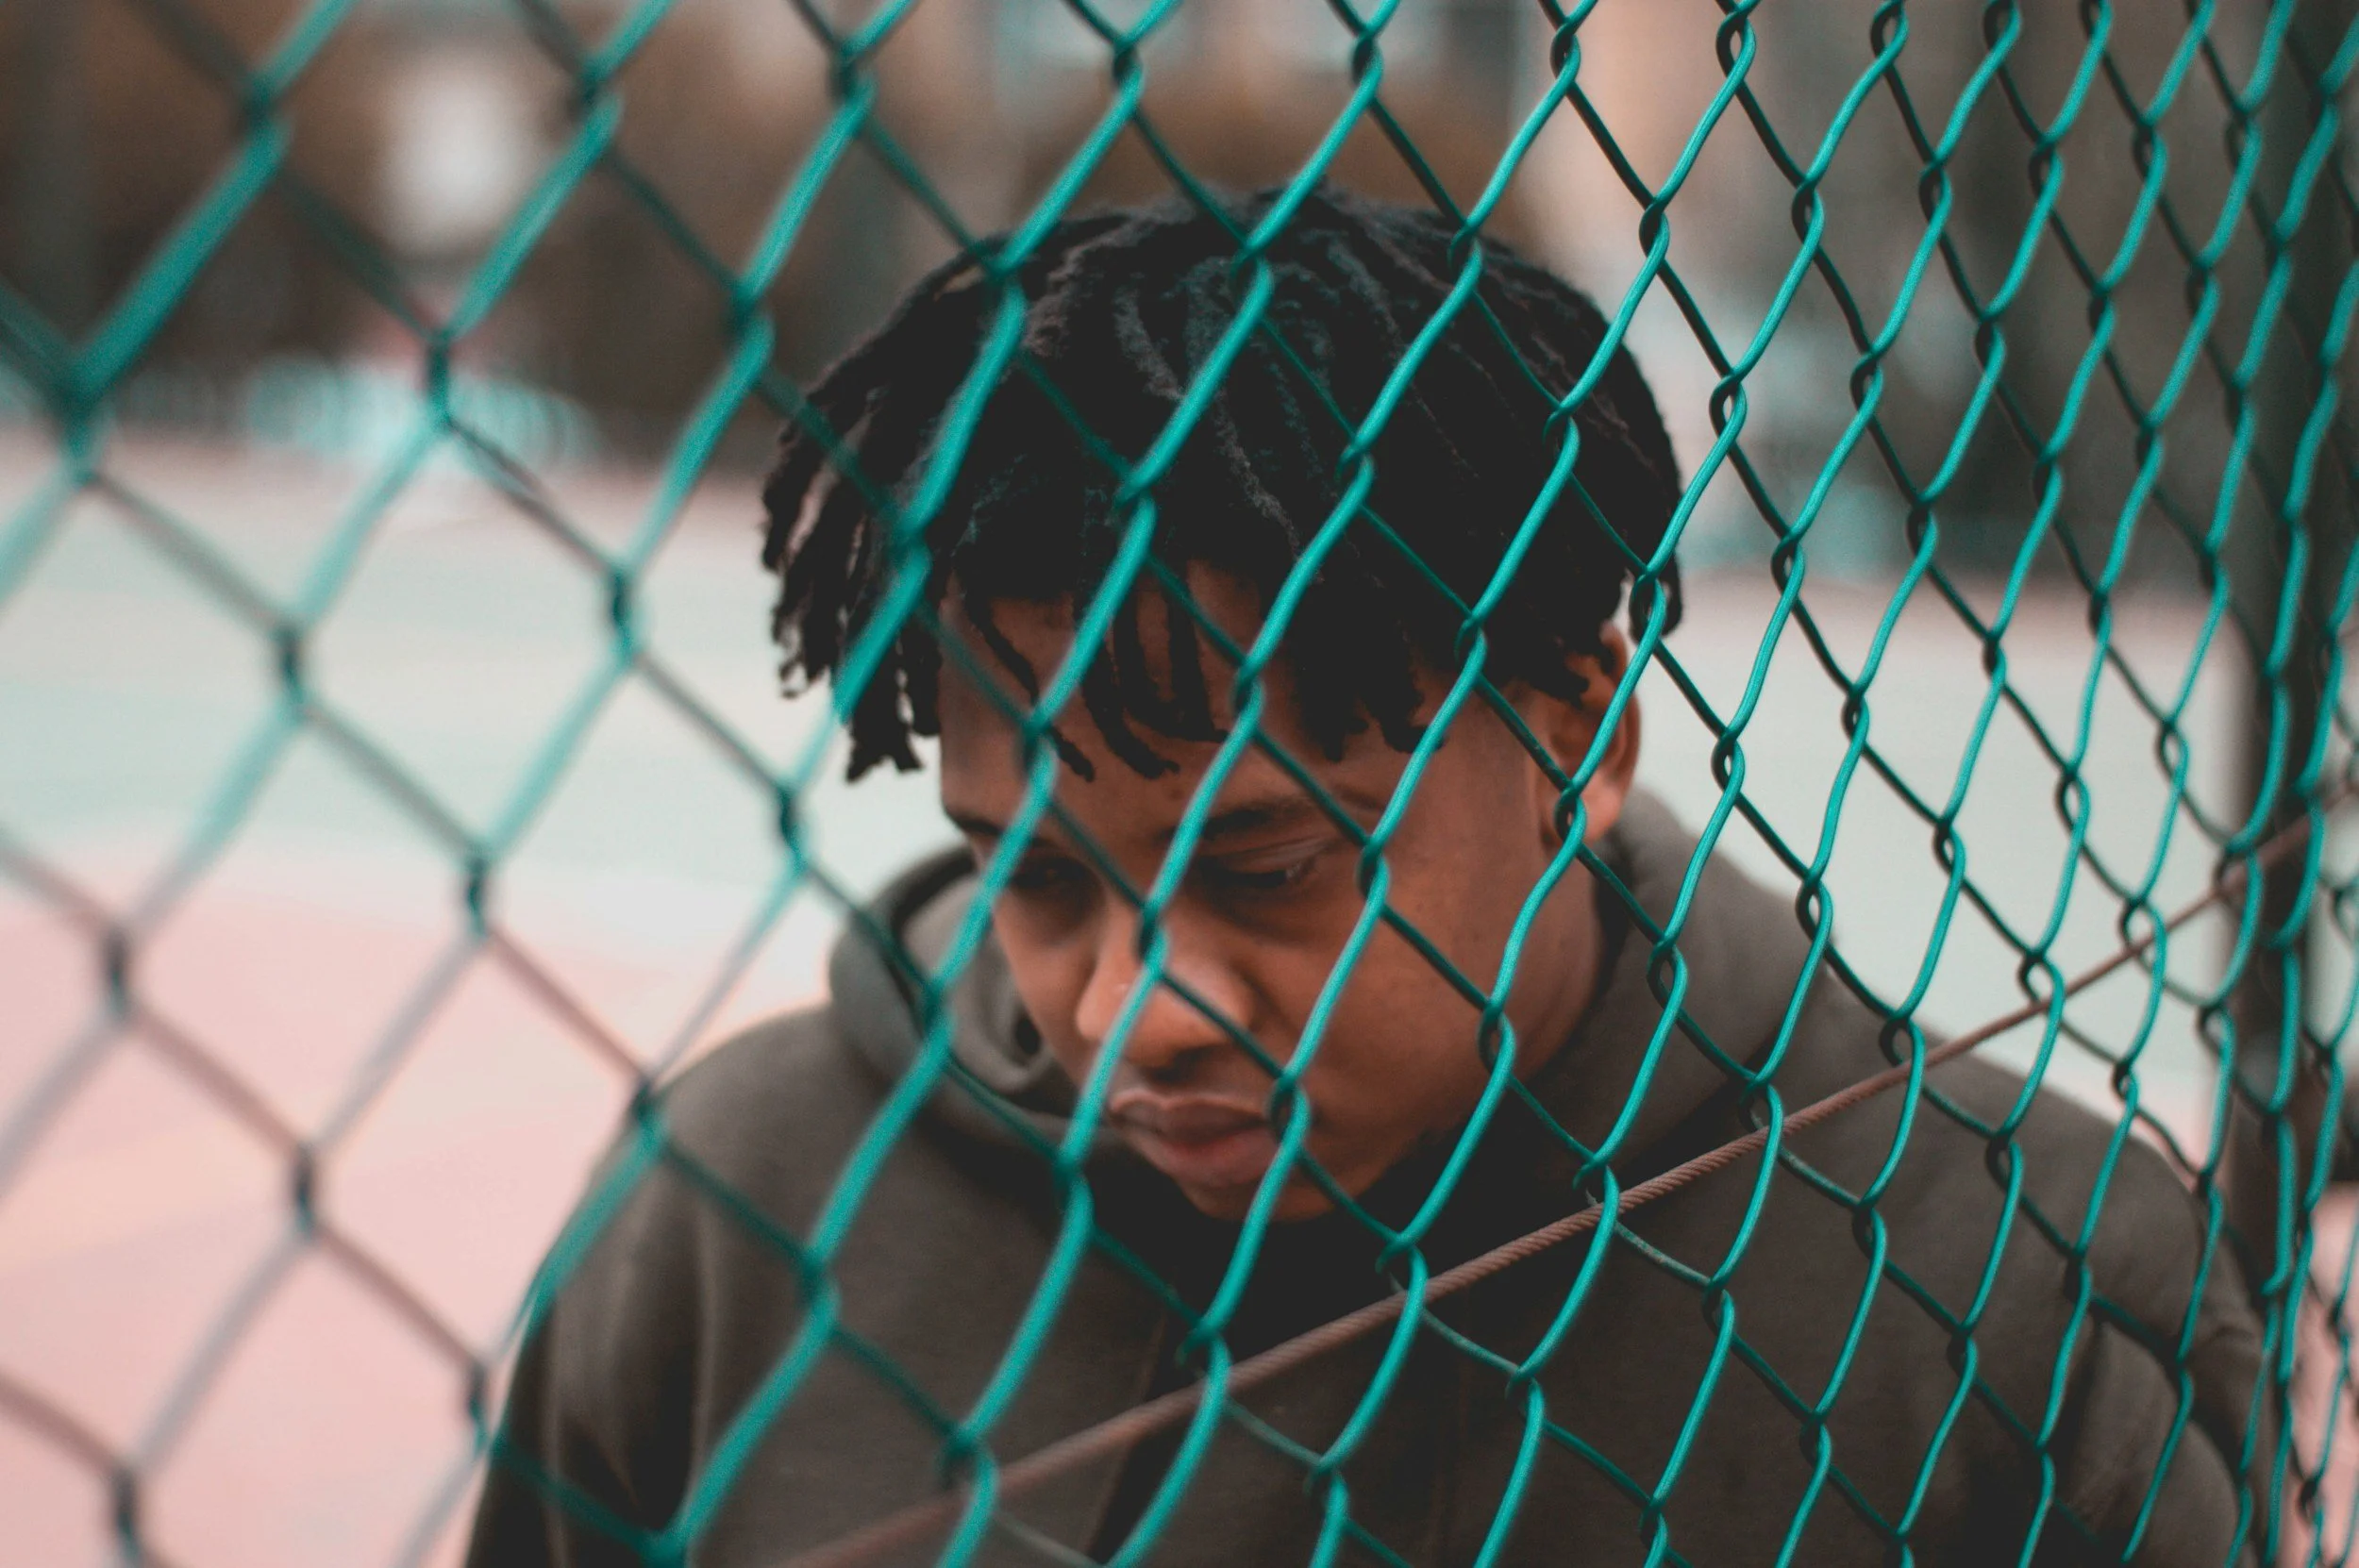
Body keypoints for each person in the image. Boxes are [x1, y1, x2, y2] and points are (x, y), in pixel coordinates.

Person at [465, 189, 2265, 1567]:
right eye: (1034, 878)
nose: (1128, 1013)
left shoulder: (2012, 1281)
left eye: (1264, 861)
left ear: (1583, 734)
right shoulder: (729, 1221)